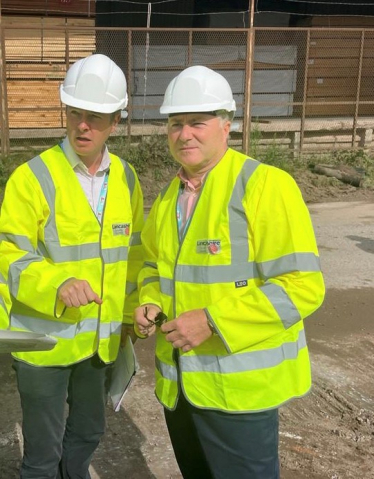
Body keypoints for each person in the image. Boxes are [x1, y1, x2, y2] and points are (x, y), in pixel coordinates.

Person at [134, 65, 325, 479]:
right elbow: (152, 264)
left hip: (240, 394)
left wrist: (213, 321)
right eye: (175, 124)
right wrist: (148, 300)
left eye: (197, 123)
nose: (185, 134)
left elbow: (302, 286)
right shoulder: (169, 197)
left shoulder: (265, 186)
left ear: (227, 126)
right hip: (181, 389)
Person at [0, 53, 143, 478]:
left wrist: (127, 317)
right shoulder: (32, 178)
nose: (84, 125)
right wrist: (57, 283)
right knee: (41, 455)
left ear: (115, 121)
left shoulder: (127, 178)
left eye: (96, 116)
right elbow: (9, 255)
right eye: (76, 112)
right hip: (44, 343)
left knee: (86, 435)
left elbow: (131, 256)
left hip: (99, 345)